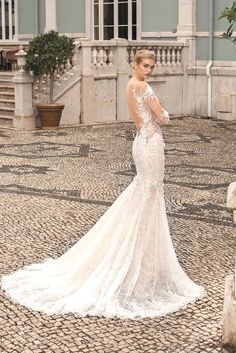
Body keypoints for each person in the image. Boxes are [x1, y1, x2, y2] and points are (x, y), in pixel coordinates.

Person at [1, 50, 205, 319]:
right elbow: (164, 118)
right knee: (148, 194)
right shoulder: (142, 86)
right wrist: (164, 111)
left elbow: (143, 116)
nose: (149, 70)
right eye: (145, 66)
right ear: (135, 65)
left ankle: (141, 258)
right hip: (150, 144)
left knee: (144, 194)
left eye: (152, 67)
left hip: (140, 142)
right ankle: (135, 258)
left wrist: (157, 113)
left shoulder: (130, 85)